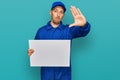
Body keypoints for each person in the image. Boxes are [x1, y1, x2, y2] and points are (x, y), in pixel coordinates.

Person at [28, 1, 90, 80]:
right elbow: (35, 51)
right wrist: (31, 52)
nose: (58, 14)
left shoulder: (68, 30)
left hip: (64, 76)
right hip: (47, 75)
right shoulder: (41, 31)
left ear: (63, 15)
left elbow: (84, 32)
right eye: (55, 11)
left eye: (61, 12)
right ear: (51, 12)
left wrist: (84, 24)